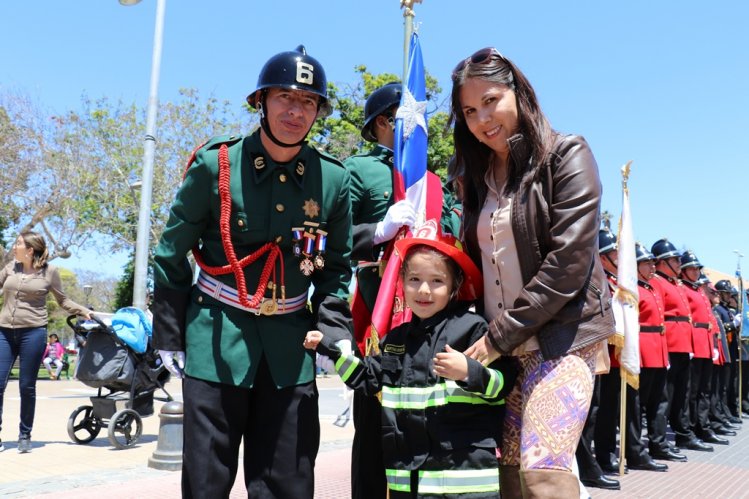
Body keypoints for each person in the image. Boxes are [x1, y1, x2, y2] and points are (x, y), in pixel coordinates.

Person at [151, 45, 354, 498]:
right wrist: (169, 332)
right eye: (284, 96)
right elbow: (171, 253)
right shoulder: (217, 165)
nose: (295, 110)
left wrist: (333, 331)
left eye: (307, 101)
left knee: (289, 484)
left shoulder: (334, 181)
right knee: (206, 483)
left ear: (319, 111)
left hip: (291, 350)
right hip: (216, 341)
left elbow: (335, 269)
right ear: (260, 102)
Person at [451, 47, 615, 497]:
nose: (483, 118)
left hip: (563, 338)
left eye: (491, 100)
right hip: (500, 349)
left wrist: (497, 337)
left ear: (519, 94)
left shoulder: (566, 154)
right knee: (506, 475)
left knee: (544, 473)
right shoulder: (473, 178)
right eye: (469, 110)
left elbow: (568, 264)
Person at [304, 231, 517, 498]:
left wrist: (468, 371)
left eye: (437, 281)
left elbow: (504, 382)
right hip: (407, 482)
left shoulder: (473, 330)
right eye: (414, 279)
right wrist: (332, 348)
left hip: (463, 482)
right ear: (401, 283)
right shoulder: (395, 339)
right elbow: (368, 378)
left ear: (455, 285)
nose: (424, 290)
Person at [345, 82, 460, 499]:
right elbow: (327, 237)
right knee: (375, 427)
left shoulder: (432, 180)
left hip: (428, 317)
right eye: (409, 117)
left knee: (426, 422)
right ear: (382, 122)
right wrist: (378, 231)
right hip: (378, 311)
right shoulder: (357, 170)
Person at [0, 231, 91, 453]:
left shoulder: (49, 272)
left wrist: (84, 311)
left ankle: (24, 435)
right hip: (4, 332)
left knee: (26, 386)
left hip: (33, 332)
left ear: (30, 250)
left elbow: (63, 300)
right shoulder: (11, 267)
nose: (15, 247)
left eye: (19, 244)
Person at [649, 239, 713, 453]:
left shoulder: (675, 283)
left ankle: (684, 434)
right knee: (664, 396)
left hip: (684, 343)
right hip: (669, 343)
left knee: (682, 395)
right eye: (675, 260)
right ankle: (660, 440)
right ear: (662, 262)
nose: (679, 263)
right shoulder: (657, 281)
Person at [575, 229, 620, 491]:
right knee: (583, 410)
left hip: (598, 344)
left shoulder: (607, 279)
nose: (617, 256)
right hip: (582, 342)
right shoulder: (584, 271)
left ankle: (589, 465)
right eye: (613, 253)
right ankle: (585, 467)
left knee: (594, 409)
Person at [635, 244, 687, 463]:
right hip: (645, 347)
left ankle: (659, 444)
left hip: (660, 346)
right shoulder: (651, 284)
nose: (652, 267)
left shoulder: (655, 286)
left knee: (660, 400)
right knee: (641, 401)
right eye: (647, 263)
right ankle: (636, 448)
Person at [679, 250, 729, 446]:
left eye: (697, 268)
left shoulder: (699, 290)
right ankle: (691, 428)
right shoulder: (684, 289)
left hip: (706, 343)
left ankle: (704, 426)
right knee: (691, 391)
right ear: (683, 271)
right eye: (691, 268)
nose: (696, 271)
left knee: (704, 390)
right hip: (694, 342)